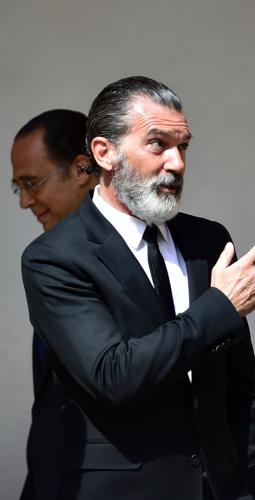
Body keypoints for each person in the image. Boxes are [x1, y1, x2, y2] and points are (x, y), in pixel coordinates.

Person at [21, 76, 255, 500]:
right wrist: (218, 307)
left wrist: (253, 489)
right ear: (105, 153)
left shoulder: (208, 241)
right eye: (158, 144)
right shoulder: (54, 258)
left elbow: (241, 391)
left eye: (184, 147)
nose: (176, 163)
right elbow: (114, 375)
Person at [10, 109, 99, 500]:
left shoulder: (144, 264)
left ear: (82, 168)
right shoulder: (52, 262)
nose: (25, 201)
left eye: (32, 183)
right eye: (18, 188)